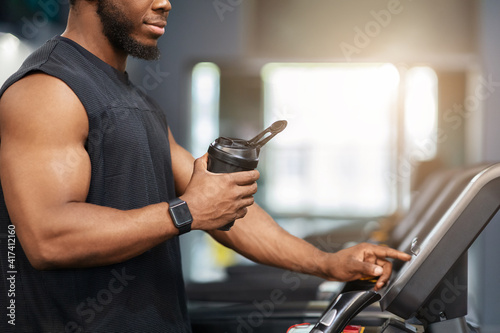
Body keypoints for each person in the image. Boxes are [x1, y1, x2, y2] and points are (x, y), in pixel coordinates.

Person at [0, 0, 411, 332]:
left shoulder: (137, 102)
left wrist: (328, 263)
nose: (166, 4)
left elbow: (219, 207)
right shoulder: (47, 90)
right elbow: (47, 238)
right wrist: (185, 212)